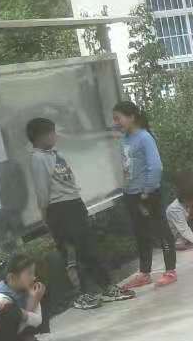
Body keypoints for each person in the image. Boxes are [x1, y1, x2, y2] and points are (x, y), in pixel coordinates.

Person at [26, 117, 134, 309]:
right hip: (59, 209)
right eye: (50, 133)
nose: (54, 136)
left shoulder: (55, 154)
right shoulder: (38, 158)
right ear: (39, 136)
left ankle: (106, 287)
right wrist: (45, 215)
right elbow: (42, 191)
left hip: (74, 204)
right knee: (73, 253)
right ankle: (83, 294)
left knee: (89, 248)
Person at [112, 100, 177, 290]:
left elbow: (155, 166)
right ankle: (144, 273)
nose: (116, 123)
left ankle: (170, 270)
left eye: (118, 118)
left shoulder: (144, 137)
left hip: (147, 194)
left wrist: (147, 190)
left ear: (131, 117)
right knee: (140, 233)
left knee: (161, 230)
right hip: (131, 194)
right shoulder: (125, 139)